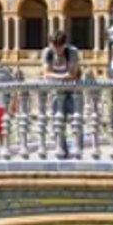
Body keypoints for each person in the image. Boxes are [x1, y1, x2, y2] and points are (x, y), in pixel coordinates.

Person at [41, 26, 82, 156]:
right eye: (54, 46)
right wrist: (64, 76)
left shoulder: (72, 51)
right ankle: (62, 150)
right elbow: (46, 73)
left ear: (65, 44)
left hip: (73, 92)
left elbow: (73, 74)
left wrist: (55, 76)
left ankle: (78, 150)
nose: (57, 49)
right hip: (56, 92)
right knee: (58, 122)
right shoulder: (47, 52)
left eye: (59, 46)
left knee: (76, 120)